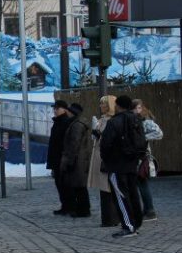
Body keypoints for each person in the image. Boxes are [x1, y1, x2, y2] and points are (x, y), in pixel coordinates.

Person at [100, 95, 146, 238]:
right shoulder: (136, 119)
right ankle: (136, 222)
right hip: (132, 163)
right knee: (133, 193)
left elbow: (105, 144)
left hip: (116, 164)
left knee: (121, 195)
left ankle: (128, 226)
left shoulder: (114, 122)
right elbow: (142, 141)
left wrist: (106, 160)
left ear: (118, 106)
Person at [89, 95, 120, 227]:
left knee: (108, 188)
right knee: (105, 189)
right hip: (100, 156)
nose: (101, 106)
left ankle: (111, 218)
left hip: (106, 158)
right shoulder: (103, 119)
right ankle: (109, 218)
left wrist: (98, 133)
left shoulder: (111, 120)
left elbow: (109, 139)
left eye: (103, 104)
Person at [132, 98, 162, 221]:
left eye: (138, 107)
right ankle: (147, 210)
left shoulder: (146, 121)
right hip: (136, 155)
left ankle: (150, 211)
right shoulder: (134, 120)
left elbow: (159, 133)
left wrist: (143, 138)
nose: (136, 110)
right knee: (140, 183)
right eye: (135, 108)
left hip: (142, 156)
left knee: (142, 182)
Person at [60, 103, 91, 218]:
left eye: (69, 111)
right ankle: (83, 209)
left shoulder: (77, 125)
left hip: (78, 160)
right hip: (79, 159)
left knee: (79, 186)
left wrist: (70, 161)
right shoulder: (76, 123)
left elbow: (74, 144)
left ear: (73, 112)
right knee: (79, 186)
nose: (67, 112)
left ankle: (83, 210)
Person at [47, 100, 73, 216]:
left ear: (64, 109)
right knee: (59, 183)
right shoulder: (57, 122)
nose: (55, 110)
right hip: (56, 157)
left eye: (57, 108)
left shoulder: (65, 122)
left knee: (64, 184)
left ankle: (69, 206)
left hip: (62, 158)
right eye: (54, 108)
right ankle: (65, 206)